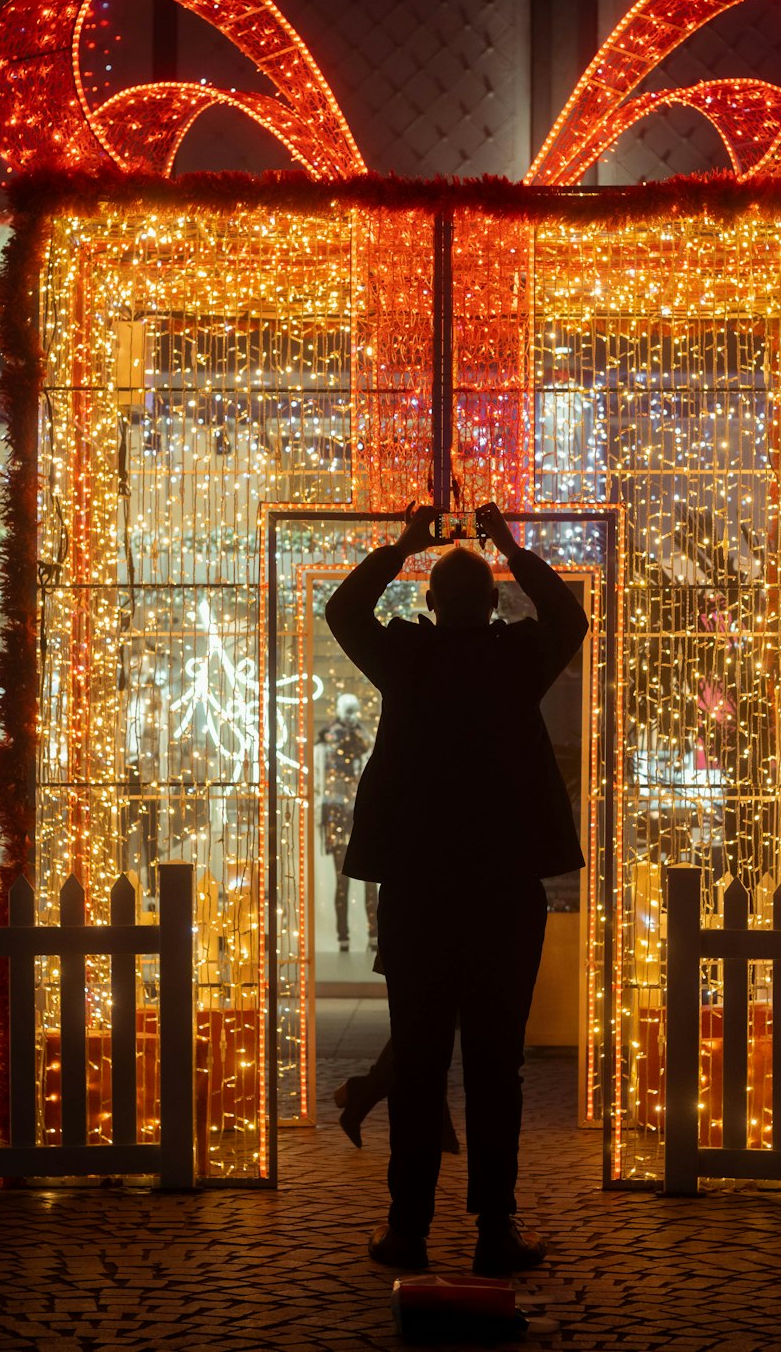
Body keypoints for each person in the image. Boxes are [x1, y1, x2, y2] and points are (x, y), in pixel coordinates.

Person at [324, 501, 588, 1276]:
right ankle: (494, 1229)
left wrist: (402, 547)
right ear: (496, 602)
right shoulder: (517, 660)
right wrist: (509, 544)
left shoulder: (408, 660)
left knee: (418, 1066)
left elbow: (342, 610)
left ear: (431, 602)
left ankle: (408, 1227)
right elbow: (569, 617)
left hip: (419, 890)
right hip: (504, 892)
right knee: (496, 1068)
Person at [316, 692, 375, 952]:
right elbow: (320, 780)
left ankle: (368, 935)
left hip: (354, 812)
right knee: (346, 880)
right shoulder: (331, 738)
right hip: (341, 812)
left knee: (365, 878)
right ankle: (346, 936)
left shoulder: (361, 738)